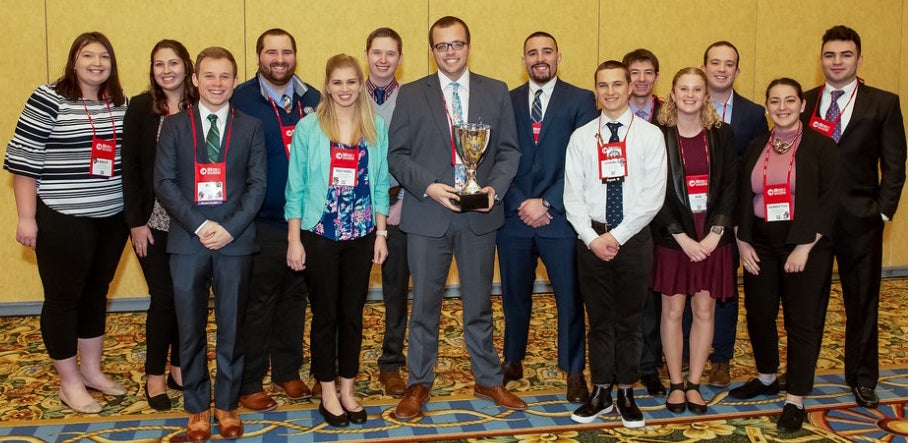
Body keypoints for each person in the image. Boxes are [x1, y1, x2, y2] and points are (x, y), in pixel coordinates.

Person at [388, 16, 523, 420]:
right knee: (424, 307)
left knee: (479, 304)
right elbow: (397, 155)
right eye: (442, 45)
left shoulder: (495, 91)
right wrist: (428, 186)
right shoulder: (412, 94)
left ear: (468, 46)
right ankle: (418, 384)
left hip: (479, 216)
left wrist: (492, 190)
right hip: (428, 214)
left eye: (457, 44)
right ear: (432, 51)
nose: (450, 51)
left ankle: (487, 378)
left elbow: (509, 152)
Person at [5, 32, 128, 415]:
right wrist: (27, 218)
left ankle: (91, 370)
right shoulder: (48, 97)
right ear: (73, 60)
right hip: (62, 216)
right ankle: (68, 381)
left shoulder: (119, 103)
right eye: (87, 55)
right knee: (63, 299)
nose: (96, 62)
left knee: (96, 293)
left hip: (112, 217)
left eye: (104, 56)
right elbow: (23, 161)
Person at [155, 47, 266, 441]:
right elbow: (164, 183)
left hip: (235, 242)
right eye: (209, 76)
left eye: (225, 76)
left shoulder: (251, 127)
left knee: (233, 328)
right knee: (190, 329)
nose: (217, 84)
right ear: (196, 80)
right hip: (188, 241)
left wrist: (229, 229)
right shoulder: (173, 126)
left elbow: (257, 187)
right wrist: (202, 225)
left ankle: (227, 406)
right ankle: (198, 408)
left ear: (235, 82)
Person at [801, 25, 906, 408]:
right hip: (811, 224)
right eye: (829, 55)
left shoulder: (883, 103)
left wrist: (882, 213)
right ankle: (801, 374)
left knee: (861, 302)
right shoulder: (805, 102)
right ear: (821, 59)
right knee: (807, 302)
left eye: (845, 55)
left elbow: (895, 166)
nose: (837, 62)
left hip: (860, 221)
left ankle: (862, 377)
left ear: (859, 59)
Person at [285, 54, 389, 427]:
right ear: (327, 86)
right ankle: (326, 389)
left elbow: (380, 185)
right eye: (337, 82)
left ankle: (348, 387)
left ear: (361, 85)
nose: (345, 89)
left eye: (352, 82)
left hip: (361, 236)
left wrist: (381, 232)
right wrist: (294, 240)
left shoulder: (375, 126)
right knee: (326, 315)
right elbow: (295, 187)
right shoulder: (309, 128)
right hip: (320, 234)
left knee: (353, 315)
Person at [732, 78, 841, 431]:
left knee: (800, 320)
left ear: (802, 106)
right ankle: (766, 377)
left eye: (790, 100)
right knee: (759, 313)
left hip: (804, 241)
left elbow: (830, 201)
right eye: (775, 101)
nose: (782, 107)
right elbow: (741, 197)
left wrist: (805, 246)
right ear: (766, 107)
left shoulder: (822, 147)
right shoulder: (755, 145)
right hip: (760, 240)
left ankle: (795, 396)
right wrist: (742, 241)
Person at [564, 60, 666, 428]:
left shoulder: (650, 136)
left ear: (630, 88)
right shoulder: (581, 137)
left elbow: (653, 197)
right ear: (596, 91)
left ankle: (626, 390)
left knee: (630, 320)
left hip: (633, 239)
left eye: (617, 84)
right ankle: (601, 389)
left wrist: (617, 236)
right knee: (599, 320)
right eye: (603, 85)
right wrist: (593, 238)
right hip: (590, 240)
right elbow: (571, 197)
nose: (610, 91)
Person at [499, 31, 597, 404]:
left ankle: (573, 369)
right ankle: (513, 359)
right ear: (523, 59)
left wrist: (549, 202)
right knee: (513, 295)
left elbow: (584, 160)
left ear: (559, 56)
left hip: (561, 217)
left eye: (547, 51)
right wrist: (524, 202)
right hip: (514, 215)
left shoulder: (582, 100)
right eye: (532, 53)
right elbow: (500, 156)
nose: (540, 58)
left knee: (570, 298)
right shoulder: (506, 101)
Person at [231, 28, 321, 412]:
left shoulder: (314, 99)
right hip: (261, 220)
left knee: (294, 297)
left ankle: (287, 371)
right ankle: (250, 381)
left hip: (304, 219)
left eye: (286, 52)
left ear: (295, 56)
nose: (279, 59)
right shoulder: (240, 100)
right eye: (271, 52)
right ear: (258, 57)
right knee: (259, 301)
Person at [652, 67, 737, 415]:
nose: (690, 95)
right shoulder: (658, 135)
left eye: (697, 89)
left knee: (704, 309)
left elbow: (731, 185)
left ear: (706, 95)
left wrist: (716, 233)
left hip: (712, 239)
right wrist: (682, 236)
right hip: (674, 239)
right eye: (683, 88)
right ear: (672, 93)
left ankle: (695, 384)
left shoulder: (722, 135)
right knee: (672, 311)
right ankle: (675, 383)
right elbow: (654, 192)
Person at [122, 39, 196, 412]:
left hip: (191, 222)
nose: (166, 70)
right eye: (158, 64)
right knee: (164, 297)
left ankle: (180, 368)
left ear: (187, 66)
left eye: (173, 63)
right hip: (152, 221)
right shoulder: (140, 107)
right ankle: (154, 375)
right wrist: (135, 222)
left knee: (188, 296)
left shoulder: (201, 105)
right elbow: (130, 170)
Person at [698, 41, 769, 388]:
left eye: (729, 64)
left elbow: (761, 164)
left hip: (731, 215)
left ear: (737, 71)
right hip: (689, 212)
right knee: (685, 283)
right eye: (715, 63)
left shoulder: (753, 114)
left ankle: (721, 358)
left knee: (723, 287)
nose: (722, 69)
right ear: (704, 67)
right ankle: (684, 353)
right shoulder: (686, 103)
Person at [365, 27, 410, 397]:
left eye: (390, 53)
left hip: (398, 208)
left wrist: (402, 202)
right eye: (377, 52)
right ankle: (331, 365)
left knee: (396, 291)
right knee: (342, 291)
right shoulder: (346, 94)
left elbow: (423, 154)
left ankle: (391, 363)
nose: (383, 60)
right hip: (348, 210)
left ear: (399, 58)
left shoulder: (412, 99)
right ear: (367, 55)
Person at [622, 48, 666, 396]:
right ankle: (624, 363)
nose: (640, 79)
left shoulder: (671, 115)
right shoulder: (605, 116)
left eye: (647, 72)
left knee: (652, 298)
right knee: (623, 298)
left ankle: (650, 365)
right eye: (633, 72)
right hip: (618, 220)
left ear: (656, 77)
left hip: (661, 219)